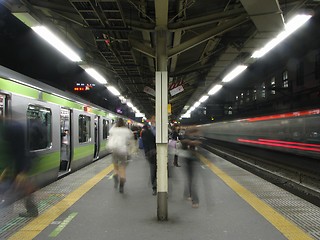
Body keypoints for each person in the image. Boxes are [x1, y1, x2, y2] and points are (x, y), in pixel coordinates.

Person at [0, 116, 38, 217]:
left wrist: (23, 171)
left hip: (15, 168)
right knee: (21, 189)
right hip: (13, 168)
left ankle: (31, 210)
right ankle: (31, 210)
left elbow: (21, 151)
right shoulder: (11, 126)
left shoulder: (13, 128)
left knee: (21, 188)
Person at [108, 118, 135, 193]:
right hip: (123, 151)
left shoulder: (113, 129)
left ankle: (116, 175)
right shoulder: (127, 131)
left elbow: (110, 135)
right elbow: (130, 141)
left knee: (115, 167)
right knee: (122, 168)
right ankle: (121, 185)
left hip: (114, 150)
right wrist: (131, 151)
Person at [180, 127, 202, 208]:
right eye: (194, 132)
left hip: (193, 160)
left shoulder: (196, 138)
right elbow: (183, 143)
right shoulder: (185, 138)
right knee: (192, 180)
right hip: (187, 160)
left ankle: (187, 194)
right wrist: (191, 142)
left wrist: (193, 143)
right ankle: (195, 200)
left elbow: (199, 143)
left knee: (191, 179)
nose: (195, 134)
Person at [141, 123, 157, 195]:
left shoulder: (146, 132)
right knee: (153, 170)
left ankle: (157, 186)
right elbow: (145, 144)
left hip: (159, 153)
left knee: (155, 169)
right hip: (152, 153)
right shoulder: (146, 132)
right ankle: (154, 187)